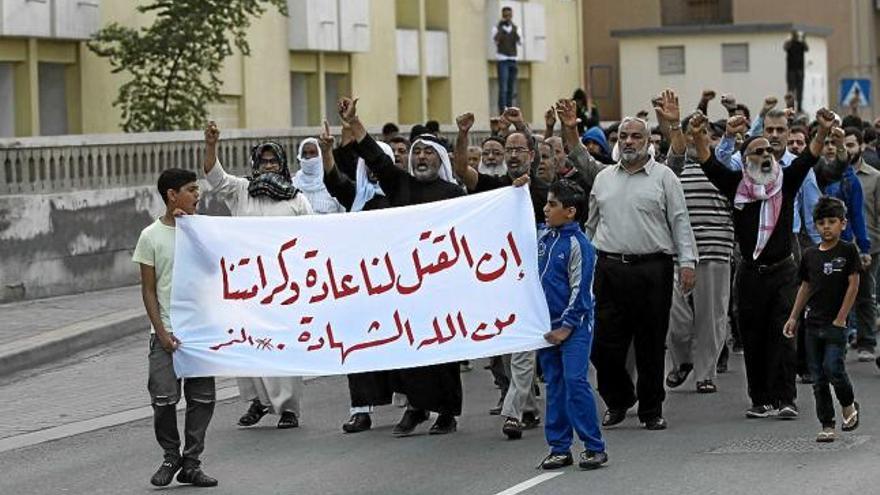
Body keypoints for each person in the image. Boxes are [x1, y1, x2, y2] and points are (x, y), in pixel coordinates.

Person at [690, 107, 836, 420]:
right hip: (750, 275)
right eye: (758, 151)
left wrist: (822, 130)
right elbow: (707, 162)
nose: (766, 154)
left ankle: (786, 399)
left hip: (784, 272)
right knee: (754, 338)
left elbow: (809, 156)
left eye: (769, 150)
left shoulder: (787, 181)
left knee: (784, 335)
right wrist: (698, 131)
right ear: (746, 162)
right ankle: (760, 400)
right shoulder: (735, 186)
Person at [338, 96, 464, 436]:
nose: (421, 158)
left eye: (428, 153)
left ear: (440, 160)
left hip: (439, 284)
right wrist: (355, 122)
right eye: (416, 152)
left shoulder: (453, 194)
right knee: (408, 350)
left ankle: (447, 413)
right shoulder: (400, 184)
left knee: (444, 353)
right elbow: (375, 158)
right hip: (404, 284)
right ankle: (416, 407)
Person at [587, 104, 698, 431]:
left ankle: (651, 409)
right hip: (608, 268)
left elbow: (680, 222)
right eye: (624, 136)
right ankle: (619, 398)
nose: (630, 141)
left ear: (648, 141)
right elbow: (591, 226)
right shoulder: (604, 179)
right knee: (602, 344)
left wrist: (687, 262)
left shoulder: (664, 177)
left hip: (653, 269)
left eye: (636, 136)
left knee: (650, 344)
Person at [202, 122, 313, 430]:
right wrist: (211, 144)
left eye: (273, 161)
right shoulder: (241, 192)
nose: (268, 167)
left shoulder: (297, 200)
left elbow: (313, 240)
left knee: (280, 344)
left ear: (282, 164)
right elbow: (214, 177)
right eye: (262, 162)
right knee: (247, 342)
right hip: (246, 283)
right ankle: (257, 402)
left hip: (283, 285)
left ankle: (288, 408)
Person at [134, 168, 218, 488]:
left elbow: (215, 268)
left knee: (202, 399)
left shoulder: (199, 229)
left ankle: (192, 462)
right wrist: (162, 332)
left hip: (198, 332)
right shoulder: (150, 236)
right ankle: (171, 455)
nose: (198, 195)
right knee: (163, 398)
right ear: (172, 195)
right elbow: (149, 289)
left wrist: (191, 230)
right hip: (165, 333)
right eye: (191, 189)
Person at [660, 91, 734, 395]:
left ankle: (705, 373)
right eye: (690, 132)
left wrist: (731, 122)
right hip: (678, 254)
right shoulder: (672, 169)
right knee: (674, 317)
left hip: (715, 250)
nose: (694, 138)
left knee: (712, 317)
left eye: (701, 132)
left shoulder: (723, 164)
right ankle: (682, 361)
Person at [536, 180, 608, 471]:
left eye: (552, 204)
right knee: (554, 384)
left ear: (570, 211)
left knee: (575, 381)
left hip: (574, 327)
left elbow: (582, 292)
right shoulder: (541, 238)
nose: (545, 209)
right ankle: (559, 447)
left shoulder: (581, 245)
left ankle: (594, 446)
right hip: (546, 329)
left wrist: (566, 327)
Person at [783, 196, 861, 442]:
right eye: (821, 223)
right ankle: (827, 423)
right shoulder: (809, 255)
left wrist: (841, 318)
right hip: (812, 323)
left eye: (832, 221)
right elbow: (805, 287)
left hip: (835, 325)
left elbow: (853, 285)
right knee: (818, 378)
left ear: (843, 224)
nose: (827, 227)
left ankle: (848, 404)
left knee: (833, 368)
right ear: (815, 225)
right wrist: (793, 317)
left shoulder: (848, 251)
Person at [836, 127, 876, 361]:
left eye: (851, 145)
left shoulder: (872, 177)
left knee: (864, 294)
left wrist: (866, 246)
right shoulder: (828, 174)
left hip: (867, 244)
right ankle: (840, 337)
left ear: (860, 146)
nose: (846, 149)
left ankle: (867, 341)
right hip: (836, 244)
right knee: (837, 295)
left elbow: (866, 214)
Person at [292, 137, 346, 215]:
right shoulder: (293, 184)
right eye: (304, 153)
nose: (308, 157)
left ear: (320, 155)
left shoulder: (333, 183)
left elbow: (343, 214)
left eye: (312, 152)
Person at [493, 6, 520, 113]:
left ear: (511, 15)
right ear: (502, 16)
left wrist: (512, 30)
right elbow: (495, 40)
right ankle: (502, 111)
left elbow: (520, 41)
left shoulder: (515, 28)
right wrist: (501, 29)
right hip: (502, 60)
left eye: (509, 15)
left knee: (511, 88)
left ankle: (509, 110)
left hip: (513, 59)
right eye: (505, 16)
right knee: (503, 88)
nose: (507, 17)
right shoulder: (497, 28)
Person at [784, 31, 809, 112]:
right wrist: (789, 40)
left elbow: (806, 48)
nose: (795, 36)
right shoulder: (789, 44)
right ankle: (790, 107)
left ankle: (799, 107)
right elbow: (785, 47)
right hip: (791, 70)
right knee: (791, 90)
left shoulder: (800, 43)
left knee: (799, 90)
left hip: (799, 70)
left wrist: (804, 39)